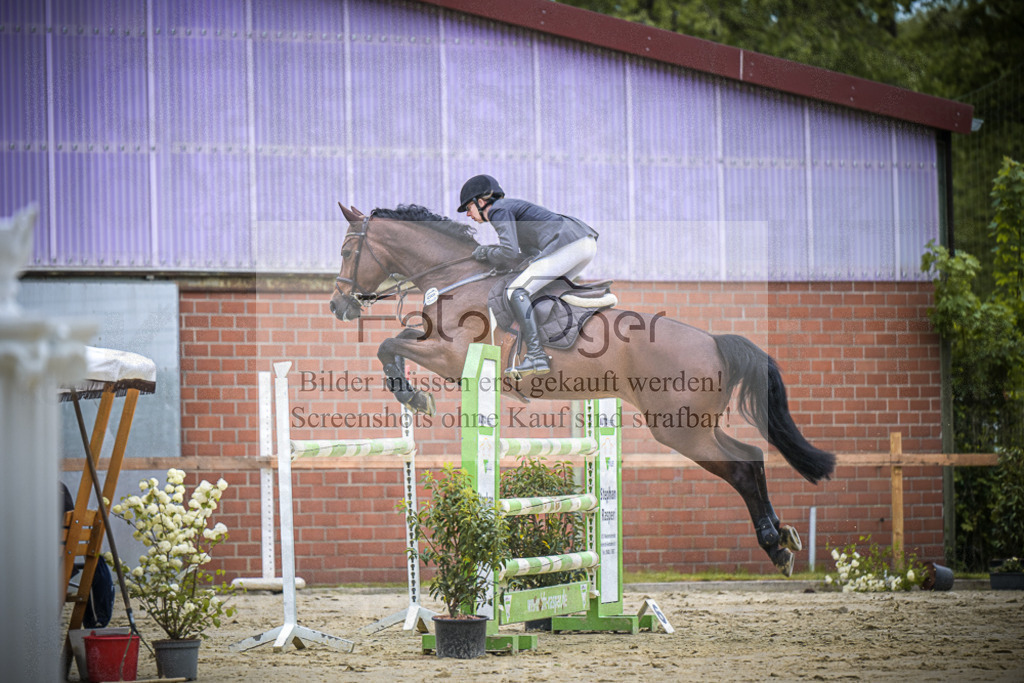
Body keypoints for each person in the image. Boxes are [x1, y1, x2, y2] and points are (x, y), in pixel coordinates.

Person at [458, 174, 598, 378]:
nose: (468, 215)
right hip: (583, 243)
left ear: (481, 202)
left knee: (516, 290)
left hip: (569, 243)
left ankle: (535, 355)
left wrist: (486, 253)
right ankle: (555, 344)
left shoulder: (498, 210)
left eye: (468, 208)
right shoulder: (511, 211)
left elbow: (509, 252)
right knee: (542, 291)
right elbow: (527, 255)